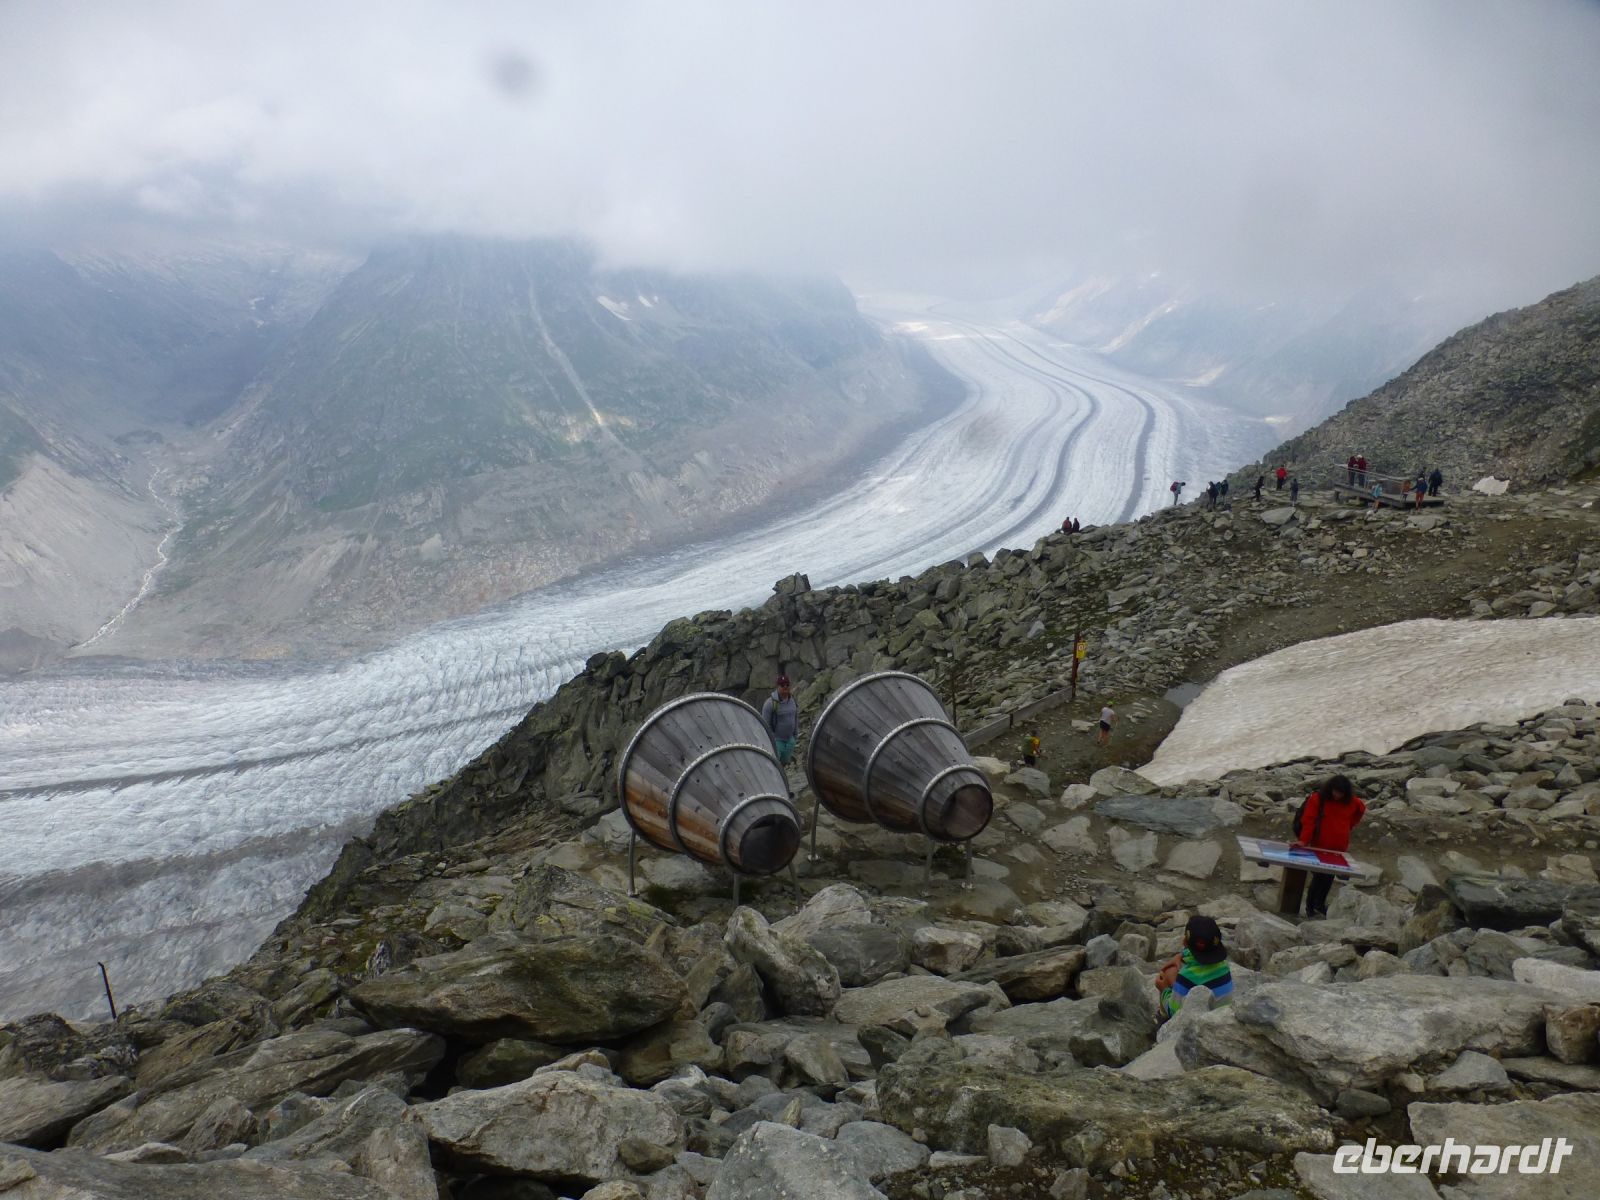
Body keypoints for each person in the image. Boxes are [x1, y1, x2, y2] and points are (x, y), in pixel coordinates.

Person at [1292, 774, 1367, 917]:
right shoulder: (1318, 799)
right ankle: (1310, 907)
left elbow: (1361, 809)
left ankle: (1319, 905)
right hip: (1320, 844)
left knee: (1328, 877)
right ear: (1330, 788)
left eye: (1340, 793)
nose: (1337, 795)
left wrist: (1350, 824)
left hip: (1339, 846)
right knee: (1319, 876)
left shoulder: (1352, 802)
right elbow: (1309, 820)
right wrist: (1303, 841)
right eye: (1335, 791)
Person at [1155, 915, 1235, 1017]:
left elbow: (1174, 1012)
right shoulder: (1223, 966)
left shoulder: (1188, 976)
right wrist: (1181, 955)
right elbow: (1195, 954)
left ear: (1184, 942)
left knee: (1168, 973)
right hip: (1221, 1016)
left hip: (1201, 1025)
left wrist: (1163, 989)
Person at [761, 675, 800, 768]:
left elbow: (795, 717)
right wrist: (771, 739)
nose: (785, 687)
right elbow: (765, 724)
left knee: (785, 763)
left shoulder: (793, 700)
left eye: (787, 684)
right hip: (776, 741)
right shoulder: (769, 704)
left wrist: (795, 736)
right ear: (778, 687)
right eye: (782, 685)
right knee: (775, 765)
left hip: (790, 740)